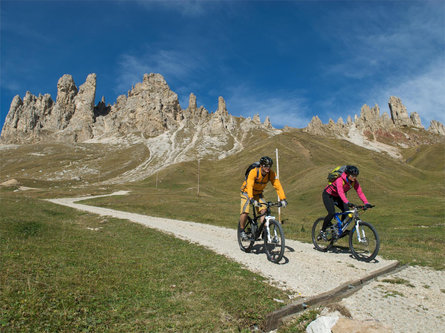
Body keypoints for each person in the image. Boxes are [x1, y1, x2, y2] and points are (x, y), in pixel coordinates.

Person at [239, 156, 287, 240]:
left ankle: (264, 230)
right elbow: (249, 185)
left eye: (269, 166)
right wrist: (251, 198)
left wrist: (283, 199)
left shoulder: (271, 174)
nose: (268, 168)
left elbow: (277, 186)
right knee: (245, 211)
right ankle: (242, 230)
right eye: (265, 166)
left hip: (258, 193)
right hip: (247, 193)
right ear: (261, 165)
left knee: (263, 210)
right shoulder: (254, 172)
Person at [321, 165, 372, 238]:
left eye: (356, 176)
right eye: (352, 176)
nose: (354, 178)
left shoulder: (354, 182)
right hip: (328, 195)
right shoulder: (340, 180)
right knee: (331, 213)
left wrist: (366, 203)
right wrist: (347, 202)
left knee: (346, 212)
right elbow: (340, 192)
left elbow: (360, 192)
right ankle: (322, 230)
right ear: (347, 174)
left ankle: (340, 230)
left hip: (337, 197)